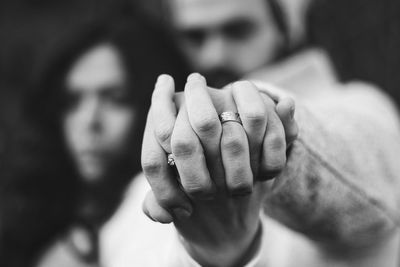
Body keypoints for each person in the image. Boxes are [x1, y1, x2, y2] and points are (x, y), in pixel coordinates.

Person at [21, 14, 188, 267]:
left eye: (116, 99)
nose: (89, 121)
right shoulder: (39, 205)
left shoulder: (162, 201)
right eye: (72, 101)